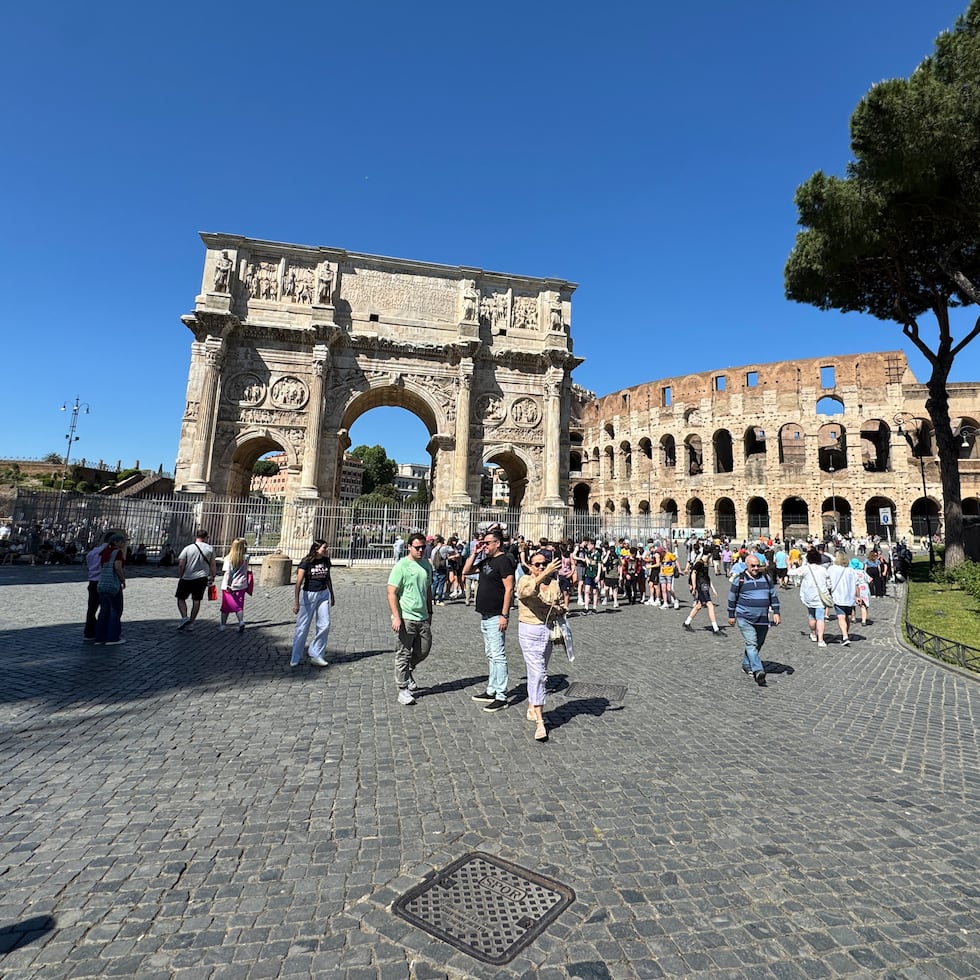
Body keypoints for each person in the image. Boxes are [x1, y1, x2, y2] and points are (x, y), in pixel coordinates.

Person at [463, 528, 515, 711]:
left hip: (496, 616)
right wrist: (474, 552)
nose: (484, 545)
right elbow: (466, 570)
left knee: (499, 656)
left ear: (497, 543)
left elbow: (509, 588)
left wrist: (505, 614)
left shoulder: (504, 562)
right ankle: (491, 689)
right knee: (491, 654)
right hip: (485, 615)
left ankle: (501, 695)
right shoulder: (486, 560)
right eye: (483, 543)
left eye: (487, 543)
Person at [517, 551, 565, 742]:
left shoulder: (553, 584)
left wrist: (559, 609)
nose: (541, 567)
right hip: (529, 631)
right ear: (530, 566)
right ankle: (540, 722)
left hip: (548, 631)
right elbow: (526, 593)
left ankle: (531, 705)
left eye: (544, 564)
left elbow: (561, 604)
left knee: (537, 671)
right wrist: (544, 575)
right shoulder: (525, 580)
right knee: (539, 675)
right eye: (537, 564)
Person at [386, 532, 433, 705]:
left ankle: (408, 670)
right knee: (403, 653)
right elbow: (391, 592)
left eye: (423, 547)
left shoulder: (426, 565)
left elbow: (428, 590)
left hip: (423, 616)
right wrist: (396, 617)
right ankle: (402, 688)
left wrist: (430, 612)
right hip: (406, 616)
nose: (421, 550)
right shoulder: (401, 566)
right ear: (409, 547)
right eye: (417, 547)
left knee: (424, 649)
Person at [727, 554, 780, 687]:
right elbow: (732, 598)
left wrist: (776, 612)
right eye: (753, 566)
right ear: (746, 565)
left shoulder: (766, 578)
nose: (756, 568)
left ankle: (746, 663)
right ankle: (758, 670)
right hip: (745, 617)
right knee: (751, 643)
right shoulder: (739, 580)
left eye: (758, 565)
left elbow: (773, 595)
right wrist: (731, 615)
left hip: (762, 618)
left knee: (758, 643)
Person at [291, 539, 335, 667]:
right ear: (316, 548)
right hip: (309, 594)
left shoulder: (326, 561)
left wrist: (332, 594)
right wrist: (296, 602)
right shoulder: (306, 562)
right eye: (324, 548)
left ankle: (317, 653)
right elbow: (298, 583)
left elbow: (328, 578)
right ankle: (295, 656)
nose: (326, 550)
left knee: (325, 624)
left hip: (323, 593)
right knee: (302, 626)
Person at [175, 529, 217, 631]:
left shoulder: (188, 548)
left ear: (196, 537)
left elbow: (181, 564)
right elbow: (212, 565)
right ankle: (191, 623)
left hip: (187, 577)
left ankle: (184, 617)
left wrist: (180, 575)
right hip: (202, 578)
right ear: (206, 537)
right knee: (197, 601)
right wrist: (213, 576)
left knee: (180, 598)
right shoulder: (210, 549)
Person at [94, 533, 127, 646]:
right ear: (116, 542)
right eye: (122, 542)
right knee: (116, 610)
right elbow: (117, 567)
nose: (124, 544)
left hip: (102, 584)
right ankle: (113, 637)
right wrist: (123, 580)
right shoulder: (117, 552)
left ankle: (99, 637)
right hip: (112, 584)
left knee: (104, 611)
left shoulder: (104, 552)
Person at [83, 531, 115, 643]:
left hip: (92, 582)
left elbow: (88, 567)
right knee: (106, 608)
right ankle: (103, 632)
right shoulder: (109, 552)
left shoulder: (92, 553)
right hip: (104, 582)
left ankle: (89, 632)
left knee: (91, 609)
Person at [799, 547, 833, 648]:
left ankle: (813, 634)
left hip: (809, 596)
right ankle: (821, 640)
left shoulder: (806, 568)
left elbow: (791, 572)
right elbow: (829, 583)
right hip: (820, 597)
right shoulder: (823, 570)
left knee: (811, 617)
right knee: (820, 618)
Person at [683, 557, 722, 634]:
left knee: (699, 605)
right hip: (701, 586)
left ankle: (687, 623)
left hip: (705, 585)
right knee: (710, 605)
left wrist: (713, 589)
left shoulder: (705, 564)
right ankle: (715, 629)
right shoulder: (699, 563)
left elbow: (707, 578)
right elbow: (693, 574)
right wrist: (693, 586)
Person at [220, 537, 250, 633]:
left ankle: (223, 625)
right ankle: (241, 621)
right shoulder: (246, 557)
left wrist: (228, 585)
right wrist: (243, 541)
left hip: (229, 586)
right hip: (241, 584)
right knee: (239, 605)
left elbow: (228, 573)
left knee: (225, 606)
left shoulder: (228, 558)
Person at [828, 551, 857, 646]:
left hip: (839, 596)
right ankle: (846, 634)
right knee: (846, 617)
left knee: (841, 617)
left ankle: (845, 637)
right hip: (849, 597)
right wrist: (857, 596)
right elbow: (856, 584)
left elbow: (828, 581)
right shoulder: (851, 570)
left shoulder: (832, 569)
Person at [850, 557, 872, 626]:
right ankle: (863, 620)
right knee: (863, 605)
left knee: (853, 605)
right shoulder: (863, 572)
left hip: (854, 587)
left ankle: (853, 618)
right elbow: (870, 580)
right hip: (864, 587)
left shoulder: (851, 572)